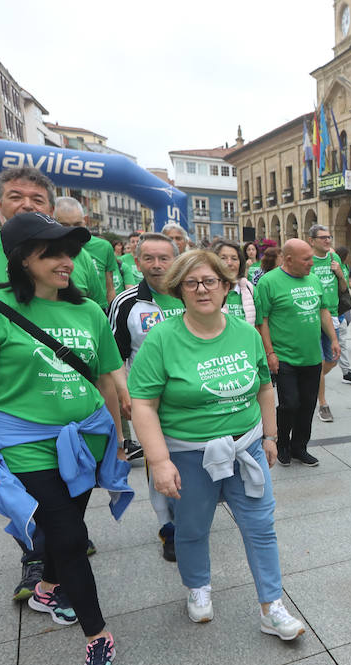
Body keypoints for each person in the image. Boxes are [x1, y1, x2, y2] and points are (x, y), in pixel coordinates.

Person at [0, 211, 130, 665]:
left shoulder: (89, 310)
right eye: (50, 251)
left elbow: (107, 381)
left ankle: (48, 590)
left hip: (85, 438)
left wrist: (116, 441)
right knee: (70, 535)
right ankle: (99, 635)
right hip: (26, 445)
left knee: (62, 527)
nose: (65, 260)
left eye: (68, 250)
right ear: (20, 258)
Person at [0, 165, 98, 596]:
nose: (25, 203)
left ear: (50, 205)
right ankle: (37, 558)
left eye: (36, 198)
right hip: (2, 390)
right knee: (24, 489)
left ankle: (61, 550)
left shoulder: (71, 254)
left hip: (63, 393)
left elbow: (86, 322)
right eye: (15, 195)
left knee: (66, 501)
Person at [128, 249, 305, 637]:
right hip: (189, 455)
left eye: (211, 281)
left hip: (247, 447)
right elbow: (142, 403)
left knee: (261, 527)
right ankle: (198, 588)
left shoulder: (244, 332)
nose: (202, 289)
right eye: (192, 283)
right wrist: (159, 461)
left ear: (226, 286)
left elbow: (262, 385)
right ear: (179, 290)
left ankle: (272, 606)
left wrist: (271, 436)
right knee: (191, 527)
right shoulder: (162, 339)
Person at [108, 232, 183, 560]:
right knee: (158, 461)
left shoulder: (190, 294)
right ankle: (168, 526)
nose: (157, 265)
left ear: (176, 260)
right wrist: (124, 394)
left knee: (191, 462)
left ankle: (190, 517)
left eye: (164, 258)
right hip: (149, 403)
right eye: (149, 258)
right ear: (136, 262)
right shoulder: (126, 303)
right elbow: (113, 358)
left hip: (194, 400)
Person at [254, 238, 339, 468]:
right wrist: (270, 353)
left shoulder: (314, 280)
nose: (312, 263)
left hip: (312, 356)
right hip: (285, 357)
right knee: (290, 403)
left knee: (308, 404)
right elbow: (262, 321)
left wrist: (333, 339)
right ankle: (282, 444)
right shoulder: (269, 282)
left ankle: (299, 447)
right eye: (307, 259)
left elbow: (323, 311)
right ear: (289, 259)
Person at [310, 225, 351, 424]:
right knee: (320, 359)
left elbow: (344, 288)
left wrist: (339, 274)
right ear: (312, 240)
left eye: (329, 237)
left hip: (334, 314)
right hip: (313, 316)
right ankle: (323, 403)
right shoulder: (307, 260)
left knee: (332, 360)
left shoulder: (334, 258)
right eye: (322, 237)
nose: (327, 240)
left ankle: (314, 380)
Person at [54, 197, 117, 307]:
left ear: (86, 220)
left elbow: (110, 287)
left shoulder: (103, 247)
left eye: (77, 224)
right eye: (64, 226)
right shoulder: (42, 250)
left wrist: (111, 316)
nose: (72, 230)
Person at [212, 238, 256, 324]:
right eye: (223, 258)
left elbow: (258, 326)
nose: (229, 263)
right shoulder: (207, 291)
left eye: (234, 258)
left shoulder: (249, 289)